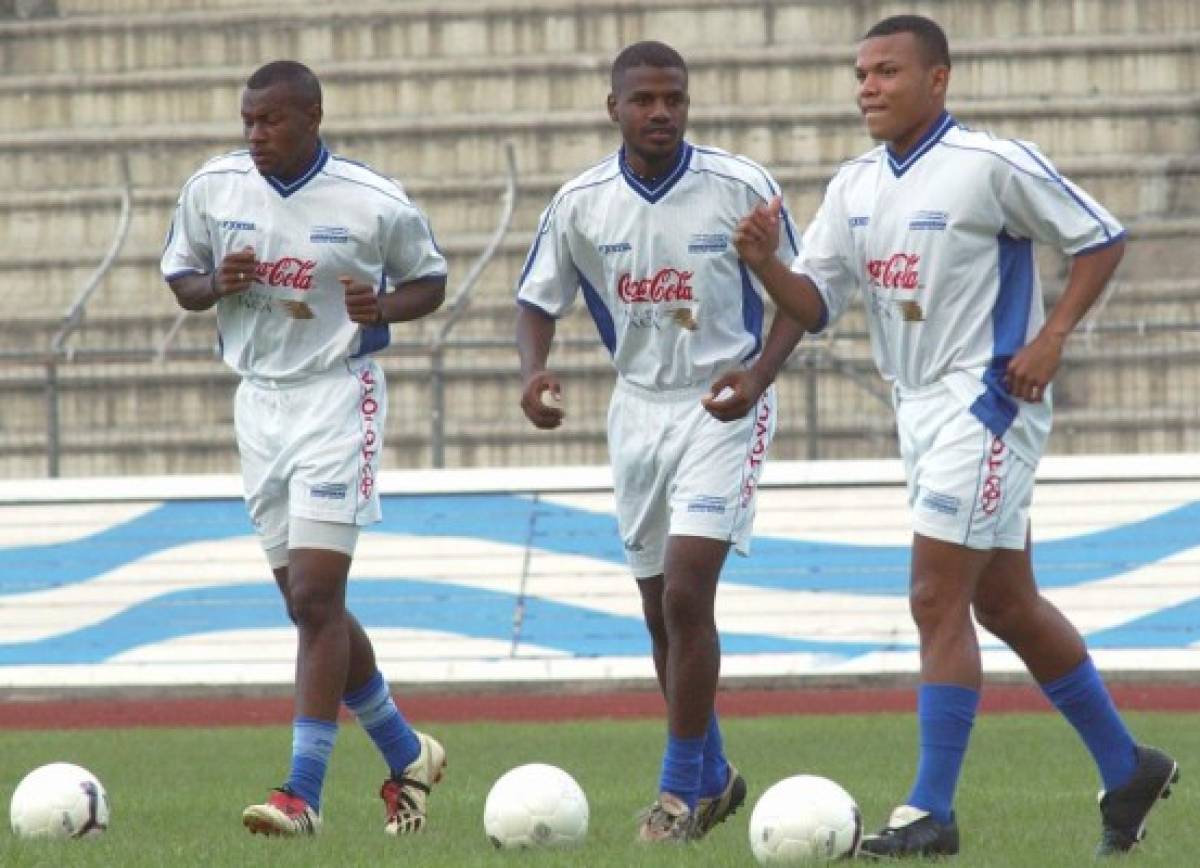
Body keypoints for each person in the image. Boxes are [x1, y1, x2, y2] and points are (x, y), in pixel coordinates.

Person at [734, 14, 1179, 859]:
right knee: (1003, 601)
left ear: (937, 80)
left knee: (934, 598)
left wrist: (1051, 339)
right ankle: (1128, 767)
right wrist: (764, 265)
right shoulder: (855, 185)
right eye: (860, 72)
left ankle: (932, 812)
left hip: (988, 400)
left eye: (887, 72)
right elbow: (816, 307)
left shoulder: (990, 164)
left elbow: (1102, 238)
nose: (868, 86)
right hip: (917, 409)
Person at [515, 41, 807, 843]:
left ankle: (676, 796)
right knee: (657, 611)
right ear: (614, 107)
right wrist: (534, 372)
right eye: (644, 100)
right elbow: (537, 298)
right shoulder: (581, 202)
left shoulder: (741, 187)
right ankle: (714, 777)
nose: (661, 113)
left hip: (723, 401)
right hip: (637, 409)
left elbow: (805, 300)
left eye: (674, 98)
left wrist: (759, 374)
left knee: (685, 594)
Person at [161, 60, 449, 838]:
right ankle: (406, 752)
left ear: (313, 117)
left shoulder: (371, 200)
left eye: (272, 121)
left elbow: (431, 280)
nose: (255, 134)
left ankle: (302, 793)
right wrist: (214, 284)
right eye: (248, 120)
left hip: (335, 394)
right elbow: (179, 278)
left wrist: (382, 305)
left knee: (318, 600)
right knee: (305, 604)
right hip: (257, 403)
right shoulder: (214, 188)